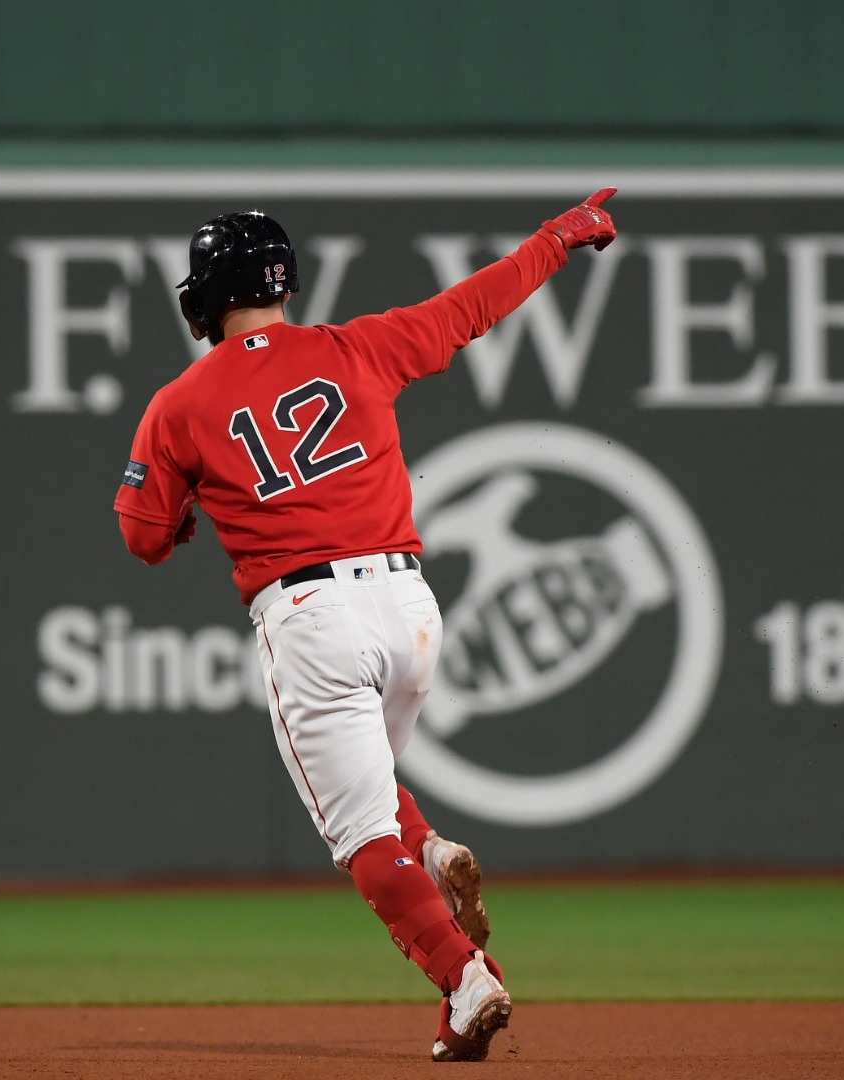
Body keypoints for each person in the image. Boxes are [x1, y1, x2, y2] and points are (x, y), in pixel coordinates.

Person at [114, 189, 618, 1061]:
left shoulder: (181, 402)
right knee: (376, 799)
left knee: (359, 836)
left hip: (310, 614)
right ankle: (435, 859)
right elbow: (472, 307)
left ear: (204, 295)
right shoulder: (359, 346)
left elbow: (143, 538)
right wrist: (556, 238)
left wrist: (184, 508)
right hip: (410, 609)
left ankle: (467, 980)